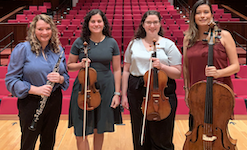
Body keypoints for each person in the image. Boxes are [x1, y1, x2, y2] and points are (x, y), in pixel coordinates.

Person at [5, 14, 69, 150]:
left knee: (48, 141)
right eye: (40, 29)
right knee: (28, 142)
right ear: (33, 30)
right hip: (30, 101)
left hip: (54, 100)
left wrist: (60, 78)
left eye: (47, 28)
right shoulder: (23, 49)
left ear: (53, 30)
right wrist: (35, 89)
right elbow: (11, 80)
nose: (44, 32)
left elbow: (66, 76)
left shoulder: (58, 50)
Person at [121, 10, 182, 150]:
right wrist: (123, 94)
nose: (152, 25)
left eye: (155, 22)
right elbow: (126, 70)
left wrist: (162, 66)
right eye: (149, 22)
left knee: (162, 134)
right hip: (137, 91)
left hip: (162, 90)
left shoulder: (169, 45)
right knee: (140, 133)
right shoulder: (133, 44)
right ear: (143, 24)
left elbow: (177, 73)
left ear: (160, 24)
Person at [67, 9, 122, 150]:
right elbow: (69, 66)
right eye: (93, 21)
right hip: (83, 88)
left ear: (104, 23)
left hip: (105, 88)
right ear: (88, 23)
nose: (96, 24)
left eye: (99, 21)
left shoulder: (112, 43)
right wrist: (80, 64)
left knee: (100, 127)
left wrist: (117, 93)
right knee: (81, 129)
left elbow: (116, 69)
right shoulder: (79, 42)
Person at [182, 0, 240, 130]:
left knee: (218, 132)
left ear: (211, 15)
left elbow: (236, 66)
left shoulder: (224, 36)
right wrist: (187, 90)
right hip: (196, 93)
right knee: (195, 131)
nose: (202, 16)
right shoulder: (188, 39)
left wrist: (218, 73)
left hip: (219, 93)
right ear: (193, 17)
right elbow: (186, 67)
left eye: (206, 12)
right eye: (198, 13)